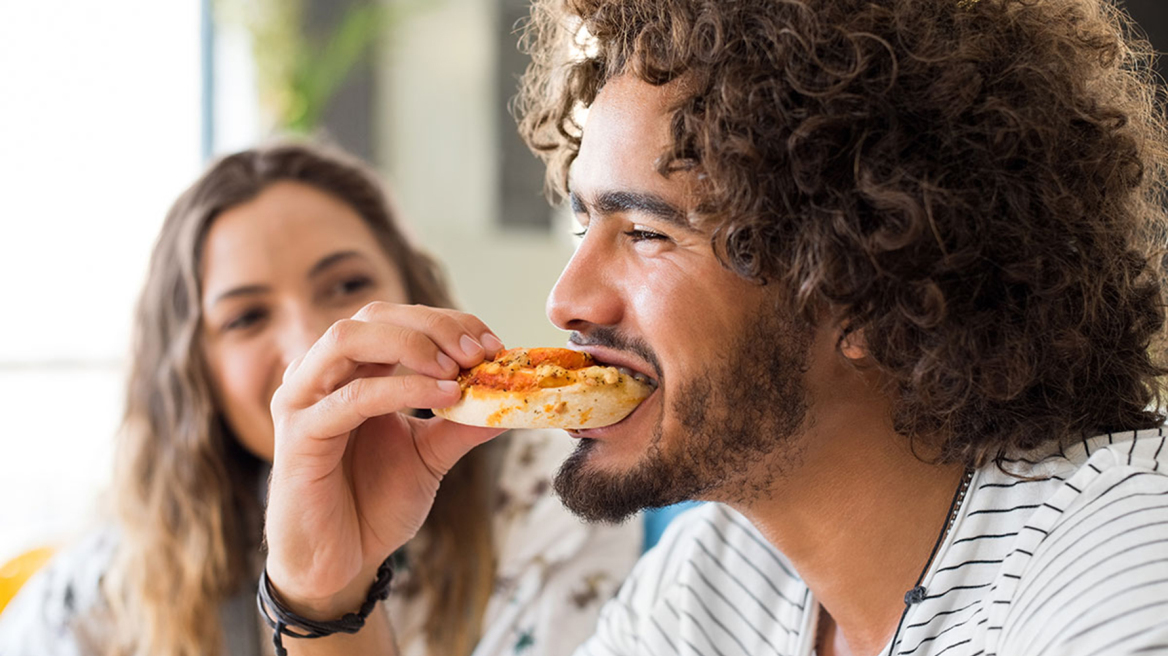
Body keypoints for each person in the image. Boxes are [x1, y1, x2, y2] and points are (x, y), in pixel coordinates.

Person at [256, 0, 1168, 654]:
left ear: (865, 279)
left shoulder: (1123, 574)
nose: (567, 299)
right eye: (585, 223)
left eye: (647, 233)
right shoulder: (723, 571)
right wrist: (327, 594)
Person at [0, 142, 641, 656]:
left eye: (346, 284)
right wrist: (311, 591)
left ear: (413, 295)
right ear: (193, 374)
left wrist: (330, 606)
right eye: (246, 317)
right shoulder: (95, 598)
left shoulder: (563, 502)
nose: (313, 342)